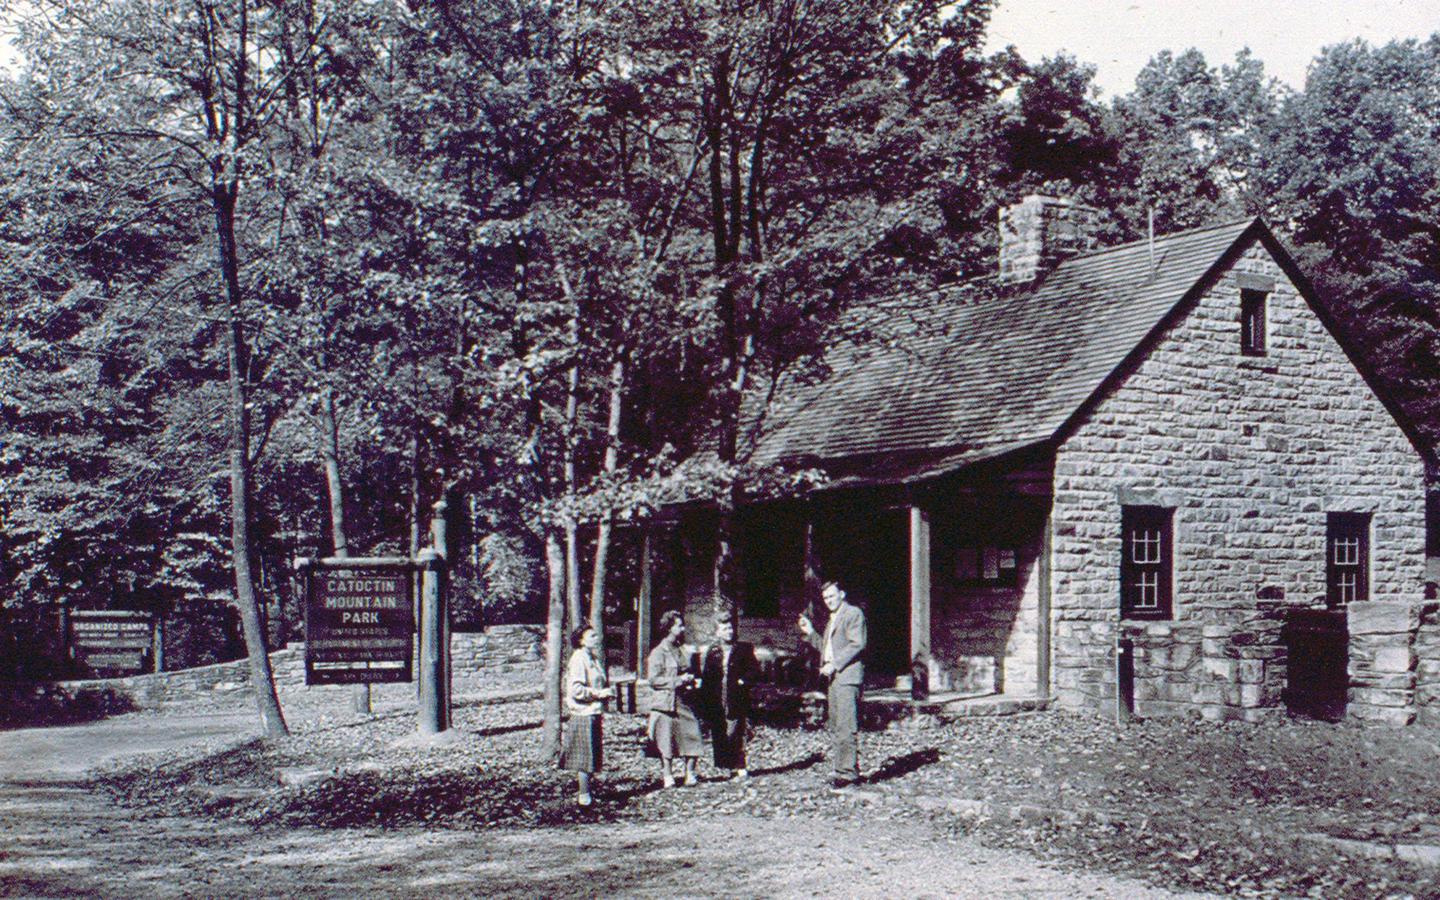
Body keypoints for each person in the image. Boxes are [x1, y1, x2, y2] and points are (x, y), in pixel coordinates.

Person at [798, 580, 867, 788]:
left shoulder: (853, 614)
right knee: (837, 725)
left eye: (832, 596)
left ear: (842, 594)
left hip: (847, 677)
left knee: (846, 725)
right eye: (825, 598)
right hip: (834, 679)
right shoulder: (832, 620)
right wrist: (810, 632)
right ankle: (841, 771)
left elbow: (857, 644)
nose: (828, 601)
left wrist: (834, 664)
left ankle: (848, 774)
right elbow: (827, 649)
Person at [646, 610, 703, 787]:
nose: (682, 628)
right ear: (669, 628)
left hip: (684, 700)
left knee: (692, 733)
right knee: (666, 740)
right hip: (665, 703)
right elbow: (653, 680)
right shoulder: (658, 652)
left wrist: (691, 680)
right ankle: (668, 776)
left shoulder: (679, 649)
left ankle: (690, 773)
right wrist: (678, 680)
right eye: (679, 625)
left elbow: (686, 671)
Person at [698, 608, 757, 780]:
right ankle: (729, 765)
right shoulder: (713, 651)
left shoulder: (743, 648)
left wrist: (743, 681)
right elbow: (707, 676)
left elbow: (754, 670)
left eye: (730, 628)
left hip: (735, 694)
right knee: (721, 730)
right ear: (717, 632)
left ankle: (740, 763)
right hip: (717, 695)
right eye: (725, 629)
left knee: (736, 729)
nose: (729, 632)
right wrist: (704, 698)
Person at [559, 626, 614, 806]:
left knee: (592, 753)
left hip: (594, 711)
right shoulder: (578, 659)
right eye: (592, 636)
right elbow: (576, 690)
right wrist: (600, 693)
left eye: (596, 634)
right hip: (583, 713)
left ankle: (589, 791)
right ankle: (584, 795)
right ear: (581, 640)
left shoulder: (593, 658)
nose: (596, 638)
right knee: (584, 755)